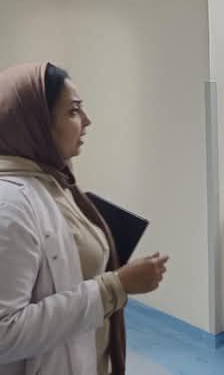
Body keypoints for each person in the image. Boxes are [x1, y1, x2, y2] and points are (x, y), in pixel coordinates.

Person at [0, 63, 169, 375]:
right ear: (36, 123)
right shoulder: (9, 204)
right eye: (73, 111)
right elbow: (4, 332)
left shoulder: (54, 180)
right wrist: (115, 287)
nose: (87, 120)